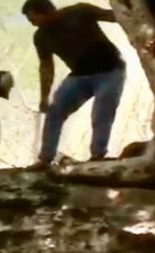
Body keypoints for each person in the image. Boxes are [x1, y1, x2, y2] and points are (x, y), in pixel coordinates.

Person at [23, 0, 126, 166]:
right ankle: (45, 158)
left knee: (102, 111)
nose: (33, 25)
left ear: (45, 11)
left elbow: (115, 17)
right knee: (55, 111)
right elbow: (46, 66)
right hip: (79, 76)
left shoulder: (79, 11)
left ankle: (98, 155)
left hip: (110, 70)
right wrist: (44, 96)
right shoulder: (41, 36)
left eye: (33, 20)